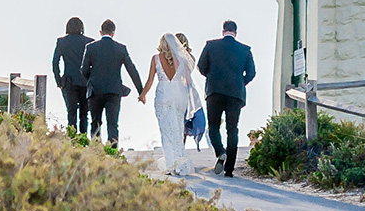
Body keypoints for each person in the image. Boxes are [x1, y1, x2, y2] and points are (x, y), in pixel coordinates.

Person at [197, 20, 256, 176]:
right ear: (235, 33)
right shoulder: (245, 50)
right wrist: (240, 83)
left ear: (223, 31)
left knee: (214, 126)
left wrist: (212, 77)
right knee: (232, 129)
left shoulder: (210, 45)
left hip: (214, 92)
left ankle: (220, 151)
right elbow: (252, 73)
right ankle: (229, 169)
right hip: (235, 94)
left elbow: (201, 66)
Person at [138, 33, 200, 176]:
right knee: (178, 128)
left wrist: (143, 95)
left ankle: (171, 164)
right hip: (179, 94)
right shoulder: (182, 59)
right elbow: (188, 80)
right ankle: (180, 163)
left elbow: (150, 81)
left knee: (165, 130)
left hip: (164, 94)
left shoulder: (155, 58)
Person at [80, 19, 143, 147]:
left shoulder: (90, 47)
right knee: (113, 124)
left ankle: (96, 154)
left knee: (95, 123)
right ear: (113, 33)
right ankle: (113, 154)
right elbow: (132, 70)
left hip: (95, 91)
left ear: (100, 32)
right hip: (114, 91)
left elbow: (83, 70)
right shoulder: (121, 49)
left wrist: (92, 79)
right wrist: (141, 92)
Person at [51, 17, 89, 134]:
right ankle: (83, 139)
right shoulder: (89, 42)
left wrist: (59, 81)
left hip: (69, 81)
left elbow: (55, 62)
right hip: (85, 82)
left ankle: (72, 139)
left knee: (71, 112)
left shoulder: (62, 41)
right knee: (84, 114)